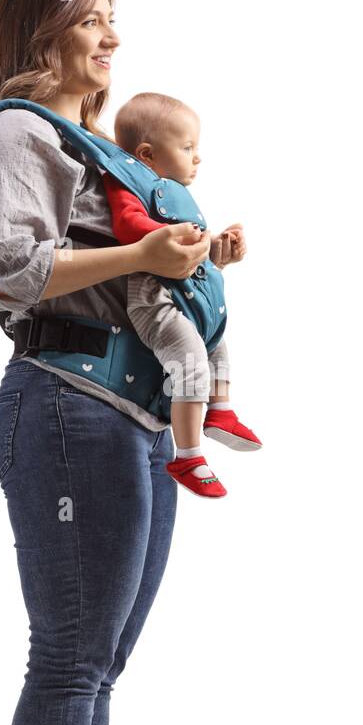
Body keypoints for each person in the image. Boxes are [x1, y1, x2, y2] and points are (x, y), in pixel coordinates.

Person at [0, 0, 244, 725]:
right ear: (42, 34)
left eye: (115, 20)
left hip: (132, 419)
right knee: (72, 655)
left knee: (99, 658)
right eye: (93, 20)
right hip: (70, 407)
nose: (111, 38)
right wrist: (143, 257)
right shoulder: (20, 132)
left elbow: (145, 272)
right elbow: (8, 269)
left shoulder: (93, 149)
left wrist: (192, 256)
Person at [103, 90, 262, 500]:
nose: (197, 157)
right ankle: (188, 454)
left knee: (216, 342)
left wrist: (215, 250)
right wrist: (166, 236)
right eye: (187, 147)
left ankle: (221, 410)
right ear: (147, 153)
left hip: (185, 289)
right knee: (190, 360)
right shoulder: (126, 181)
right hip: (154, 296)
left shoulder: (172, 190)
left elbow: (183, 248)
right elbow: (127, 225)